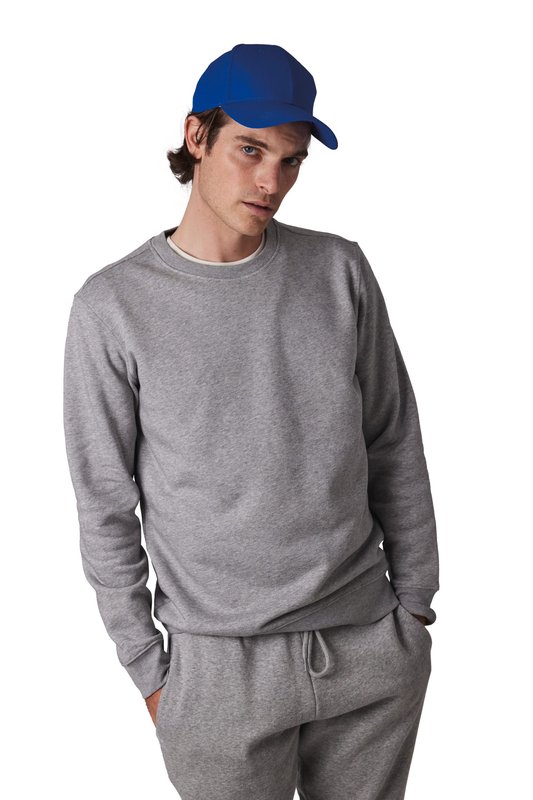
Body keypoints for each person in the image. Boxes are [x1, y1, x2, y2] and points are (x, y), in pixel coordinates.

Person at [63, 42, 440, 800]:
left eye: (292, 160)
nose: (272, 180)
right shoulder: (113, 307)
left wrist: (414, 611)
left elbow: (393, 440)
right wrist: (151, 673)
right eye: (250, 149)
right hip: (217, 674)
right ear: (196, 136)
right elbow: (104, 504)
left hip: (368, 648)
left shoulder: (339, 270)